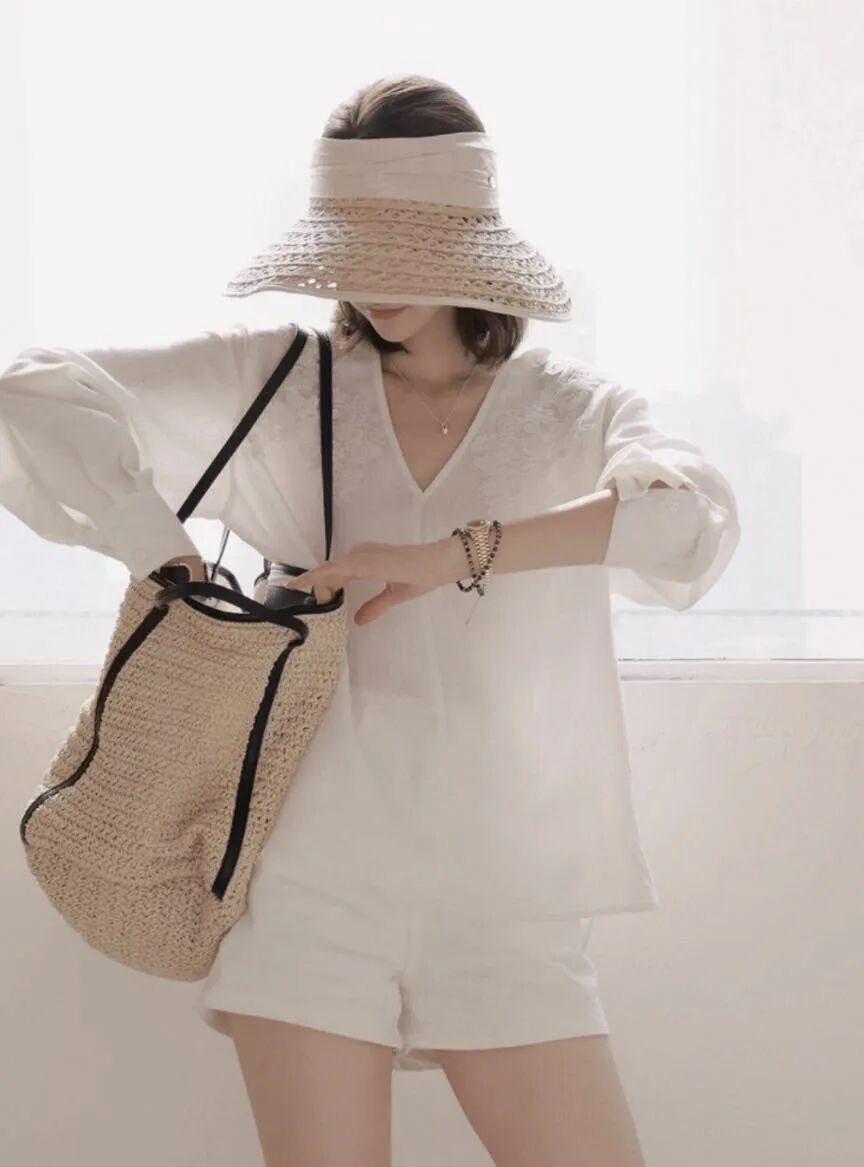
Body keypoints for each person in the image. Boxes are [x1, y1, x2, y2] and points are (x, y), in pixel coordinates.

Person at [0, 74, 740, 1167]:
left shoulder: (569, 412)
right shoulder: (283, 383)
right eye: (351, 247)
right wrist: (160, 550)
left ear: (472, 243)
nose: (371, 280)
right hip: (310, 880)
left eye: (403, 247)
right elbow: (30, 390)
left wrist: (445, 557)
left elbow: (688, 525)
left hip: (506, 895)